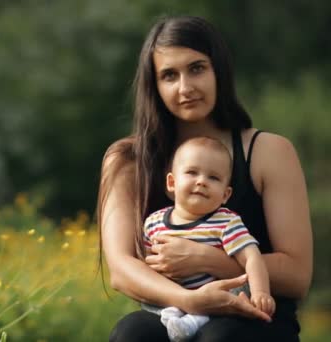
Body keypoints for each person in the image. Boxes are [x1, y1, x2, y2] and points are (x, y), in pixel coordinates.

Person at [97, 15, 312, 341]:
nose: (185, 88)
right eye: (169, 75)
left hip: (255, 314)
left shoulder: (269, 151)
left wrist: (208, 260)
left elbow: (297, 275)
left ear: (219, 71)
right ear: (154, 85)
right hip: (172, 312)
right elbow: (121, 269)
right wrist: (188, 299)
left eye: (197, 68)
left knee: (218, 338)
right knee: (132, 334)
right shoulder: (127, 160)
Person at [141, 136, 274, 341]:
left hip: (216, 303)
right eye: (192, 172)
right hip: (170, 298)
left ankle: (190, 322)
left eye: (214, 178)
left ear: (225, 195)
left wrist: (261, 292)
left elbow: (252, 258)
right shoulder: (154, 222)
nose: (201, 181)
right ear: (171, 182)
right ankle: (174, 316)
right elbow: (145, 264)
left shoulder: (225, 223)